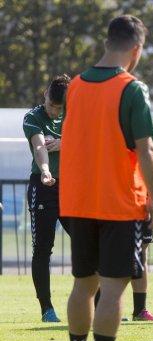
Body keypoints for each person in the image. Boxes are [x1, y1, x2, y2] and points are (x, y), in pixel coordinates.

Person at [60, 15, 153, 341]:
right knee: (114, 286)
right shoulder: (131, 88)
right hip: (119, 202)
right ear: (135, 50)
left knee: (83, 284)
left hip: (78, 200)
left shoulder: (75, 86)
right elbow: (146, 147)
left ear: (107, 42)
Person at [23, 74, 71, 322]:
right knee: (43, 248)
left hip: (72, 188)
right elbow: (39, 145)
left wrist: (66, 142)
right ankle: (47, 308)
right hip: (44, 186)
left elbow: (91, 140)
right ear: (45, 95)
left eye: (58, 108)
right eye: (51, 105)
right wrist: (45, 171)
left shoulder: (75, 117)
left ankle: (98, 302)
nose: (53, 111)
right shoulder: (34, 117)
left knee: (88, 242)